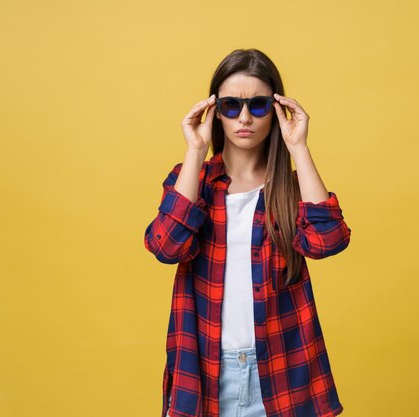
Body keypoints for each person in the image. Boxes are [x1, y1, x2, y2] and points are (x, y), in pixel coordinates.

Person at [144, 48, 351, 417]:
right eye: (230, 106)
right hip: (205, 371)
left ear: (275, 110)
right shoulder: (194, 182)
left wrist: (298, 146)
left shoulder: (290, 188)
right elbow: (166, 246)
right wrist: (195, 150)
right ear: (214, 112)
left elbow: (328, 241)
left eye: (257, 105)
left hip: (283, 372)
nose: (244, 118)